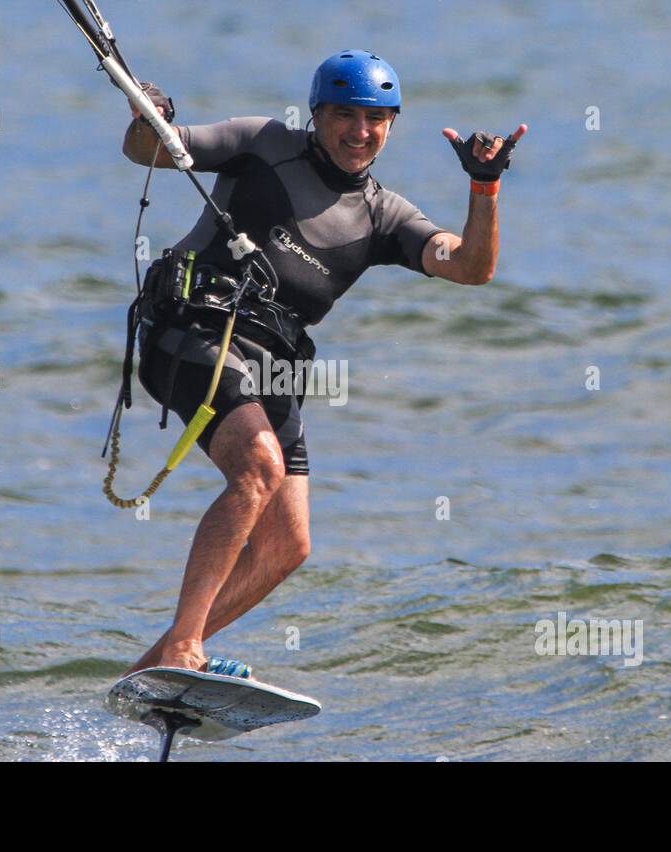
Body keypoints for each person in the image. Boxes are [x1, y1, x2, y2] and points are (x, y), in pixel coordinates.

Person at [119, 49, 524, 677]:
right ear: (316, 114)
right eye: (344, 115)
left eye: (375, 118)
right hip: (192, 331)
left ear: (392, 124)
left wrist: (484, 186)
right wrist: (152, 115)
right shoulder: (262, 143)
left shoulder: (385, 216)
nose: (359, 132)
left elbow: (472, 268)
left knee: (287, 545)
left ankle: (153, 670)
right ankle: (183, 648)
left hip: (273, 366)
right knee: (258, 468)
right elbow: (149, 149)